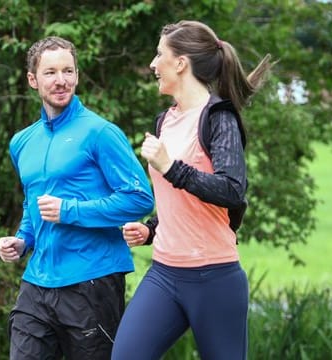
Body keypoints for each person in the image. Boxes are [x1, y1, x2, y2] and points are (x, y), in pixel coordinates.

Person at [111, 20, 274, 360]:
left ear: (181, 63)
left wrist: (171, 167)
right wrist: (151, 228)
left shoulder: (218, 118)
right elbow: (180, 201)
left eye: (160, 55)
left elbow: (232, 190)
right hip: (164, 274)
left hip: (214, 277)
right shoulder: (165, 120)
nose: (153, 65)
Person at [0, 36, 154, 360]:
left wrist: (70, 211)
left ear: (77, 76)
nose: (60, 80)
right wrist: (23, 239)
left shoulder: (100, 133)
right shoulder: (22, 142)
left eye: (68, 71)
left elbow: (139, 198)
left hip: (92, 281)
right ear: (32, 80)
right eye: (50, 72)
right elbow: (33, 201)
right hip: (38, 282)